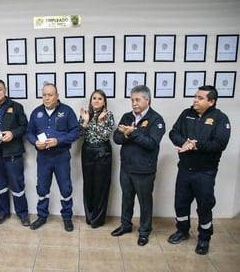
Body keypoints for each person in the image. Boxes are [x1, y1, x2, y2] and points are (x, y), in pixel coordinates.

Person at [167, 85, 231, 255]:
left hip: (205, 172)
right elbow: (173, 133)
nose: (195, 100)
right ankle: (182, 231)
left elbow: (219, 144)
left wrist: (196, 145)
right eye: (195, 96)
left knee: (204, 206)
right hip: (185, 170)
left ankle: (204, 238)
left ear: (211, 101)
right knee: (180, 203)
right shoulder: (186, 114)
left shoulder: (220, 119)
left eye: (200, 98)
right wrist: (184, 142)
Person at [111, 85, 165, 246]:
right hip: (126, 167)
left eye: (137, 99)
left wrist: (131, 133)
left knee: (144, 201)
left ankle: (144, 231)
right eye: (132, 100)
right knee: (127, 198)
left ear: (147, 100)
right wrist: (126, 134)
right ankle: (126, 225)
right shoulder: (127, 117)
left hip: (144, 169)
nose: (134, 103)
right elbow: (116, 138)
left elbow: (151, 143)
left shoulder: (156, 119)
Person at [26, 83, 80, 232]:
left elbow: (76, 131)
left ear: (57, 96)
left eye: (50, 95)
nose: (47, 98)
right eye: (44, 95)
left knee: (65, 188)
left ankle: (67, 217)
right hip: (43, 157)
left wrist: (59, 140)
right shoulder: (36, 112)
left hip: (61, 156)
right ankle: (42, 216)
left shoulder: (67, 111)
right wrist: (35, 142)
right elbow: (29, 132)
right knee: (42, 188)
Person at [0, 79, 30, 226]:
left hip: (12, 153)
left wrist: (13, 134)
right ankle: (3, 212)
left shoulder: (16, 107)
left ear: (5, 90)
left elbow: (24, 126)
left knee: (17, 184)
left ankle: (22, 214)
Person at [79, 89, 115, 228]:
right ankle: (89, 216)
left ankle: (98, 219)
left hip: (103, 151)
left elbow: (105, 136)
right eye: (94, 98)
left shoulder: (108, 115)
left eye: (100, 98)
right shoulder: (86, 114)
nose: (96, 101)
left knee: (101, 185)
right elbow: (79, 134)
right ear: (90, 100)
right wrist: (85, 121)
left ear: (104, 101)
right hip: (87, 150)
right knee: (88, 184)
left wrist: (100, 122)